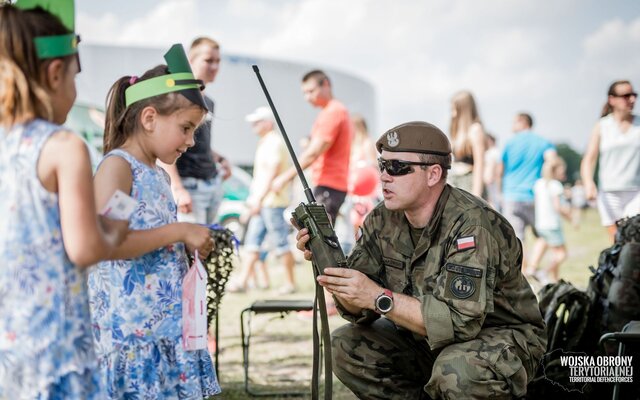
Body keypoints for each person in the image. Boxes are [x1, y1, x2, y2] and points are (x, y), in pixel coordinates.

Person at [296, 121, 547, 399]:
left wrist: (377, 296)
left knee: (458, 370)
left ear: (433, 174)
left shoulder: (472, 225)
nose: (385, 176)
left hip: (497, 337)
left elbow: (459, 322)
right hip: (424, 338)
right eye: (382, 165)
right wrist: (329, 266)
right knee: (345, 345)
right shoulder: (382, 220)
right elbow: (358, 310)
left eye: (398, 167)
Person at [0, 2, 128, 398]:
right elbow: (85, 247)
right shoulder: (62, 146)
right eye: (75, 77)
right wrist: (117, 223)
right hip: (53, 348)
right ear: (56, 73)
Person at [88, 44, 221, 398]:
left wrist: (187, 244)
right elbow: (108, 241)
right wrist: (179, 230)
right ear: (149, 118)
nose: (191, 142)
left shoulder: (159, 175)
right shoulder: (119, 168)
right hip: (132, 333)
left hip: (164, 328)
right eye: (186, 128)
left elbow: (152, 236)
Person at [160, 36, 231, 225]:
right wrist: (177, 188)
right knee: (191, 249)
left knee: (207, 247)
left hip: (212, 183)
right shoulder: (178, 98)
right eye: (208, 60)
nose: (214, 66)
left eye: (217, 61)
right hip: (189, 186)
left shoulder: (210, 102)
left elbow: (198, 142)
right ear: (191, 61)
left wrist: (221, 159)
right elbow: (166, 143)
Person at [229, 106, 296, 295]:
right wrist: (256, 200)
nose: (253, 126)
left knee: (280, 243)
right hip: (263, 201)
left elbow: (272, 172)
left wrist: (258, 199)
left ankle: (290, 283)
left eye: (256, 122)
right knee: (252, 242)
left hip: (272, 202)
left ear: (267, 123)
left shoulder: (274, 142)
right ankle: (242, 281)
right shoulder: (265, 142)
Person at [272, 69, 353, 224]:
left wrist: (284, 178)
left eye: (311, 91)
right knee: (319, 239)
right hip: (330, 185)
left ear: (326, 84)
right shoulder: (332, 111)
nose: (307, 97)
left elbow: (313, 152)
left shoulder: (333, 111)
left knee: (321, 240)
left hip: (329, 185)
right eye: (304, 93)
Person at [580, 80, 640, 242]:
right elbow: (589, 159)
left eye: (634, 95)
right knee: (617, 241)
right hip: (609, 192)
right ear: (612, 100)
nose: (632, 100)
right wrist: (588, 183)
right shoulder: (602, 126)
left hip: (636, 191)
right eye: (626, 96)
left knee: (634, 238)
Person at [497, 112, 556, 271]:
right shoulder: (543, 142)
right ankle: (533, 266)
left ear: (523, 122)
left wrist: (499, 193)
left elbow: (500, 170)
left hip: (511, 196)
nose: (512, 126)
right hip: (534, 196)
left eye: (514, 122)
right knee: (545, 234)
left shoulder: (509, 144)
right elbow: (552, 161)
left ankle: (522, 274)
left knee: (517, 240)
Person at [527, 157, 572, 284]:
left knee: (547, 246)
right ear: (555, 171)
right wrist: (570, 217)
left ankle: (552, 278)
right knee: (562, 254)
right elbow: (558, 207)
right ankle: (544, 272)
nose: (564, 173)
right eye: (562, 170)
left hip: (541, 223)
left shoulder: (539, 184)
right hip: (552, 224)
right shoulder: (555, 185)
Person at [448, 90, 487, 197]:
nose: (452, 113)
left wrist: (476, 194)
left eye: (454, 108)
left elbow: (480, 164)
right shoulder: (457, 131)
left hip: (469, 182)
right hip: (455, 180)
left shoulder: (475, 129)